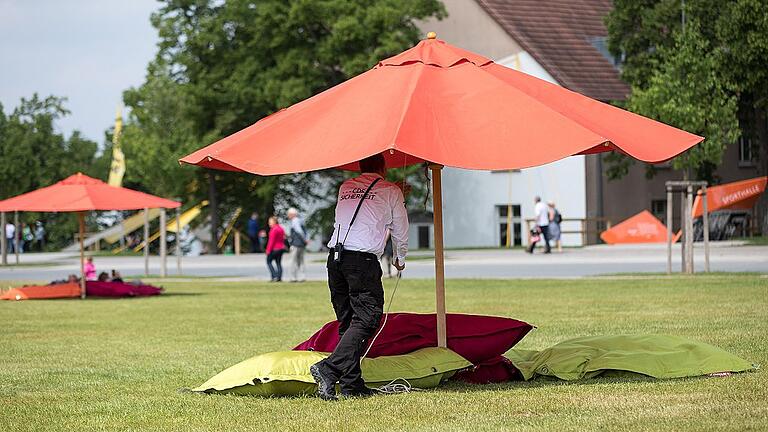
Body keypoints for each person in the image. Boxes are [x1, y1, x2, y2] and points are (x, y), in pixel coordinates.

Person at [310, 153, 409, 401]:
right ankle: (328, 368)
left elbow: (361, 210)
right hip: (361, 261)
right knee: (368, 317)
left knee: (348, 322)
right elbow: (400, 229)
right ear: (383, 167)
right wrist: (400, 259)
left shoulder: (346, 186)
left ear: (360, 167)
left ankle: (352, 384)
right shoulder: (390, 191)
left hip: (335, 258)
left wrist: (391, 192)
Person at [287, 208, 308, 282]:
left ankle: (293, 277)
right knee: (301, 261)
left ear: (292, 214)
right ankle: (302, 276)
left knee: (293, 261)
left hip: (296, 244)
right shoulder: (301, 220)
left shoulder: (294, 221)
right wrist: (305, 240)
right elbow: (305, 231)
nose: (288, 216)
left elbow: (299, 231)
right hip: (302, 244)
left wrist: (304, 239)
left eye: (289, 214)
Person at [265, 216, 286, 282]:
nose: (269, 224)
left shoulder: (274, 230)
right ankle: (279, 277)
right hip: (281, 248)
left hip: (275, 248)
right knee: (278, 263)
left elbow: (271, 241)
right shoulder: (281, 228)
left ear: (274, 222)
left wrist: (268, 250)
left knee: (268, 261)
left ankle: (274, 276)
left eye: (270, 222)